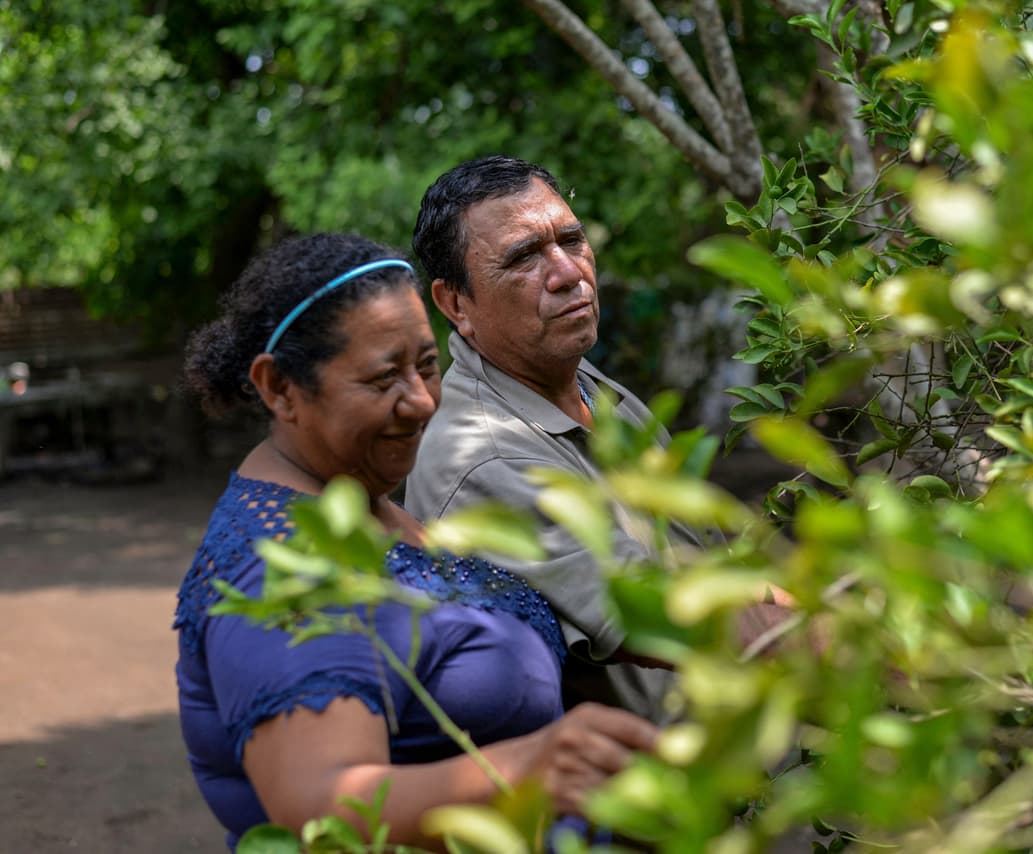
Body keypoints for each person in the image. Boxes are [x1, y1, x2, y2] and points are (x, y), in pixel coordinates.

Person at [175, 232, 657, 851]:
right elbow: (322, 805)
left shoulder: (361, 504)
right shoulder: (283, 566)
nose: (423, 400)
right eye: (383, 380)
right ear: (280, 388)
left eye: (427, 366)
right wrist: (524, 769)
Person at [404, 156, 703, 723]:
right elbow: (666, 619)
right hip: (639, 798)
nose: (569, 273)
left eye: (572, 239)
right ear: (455, 304)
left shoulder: (592, 389)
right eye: (522, 257)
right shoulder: (478, 455)